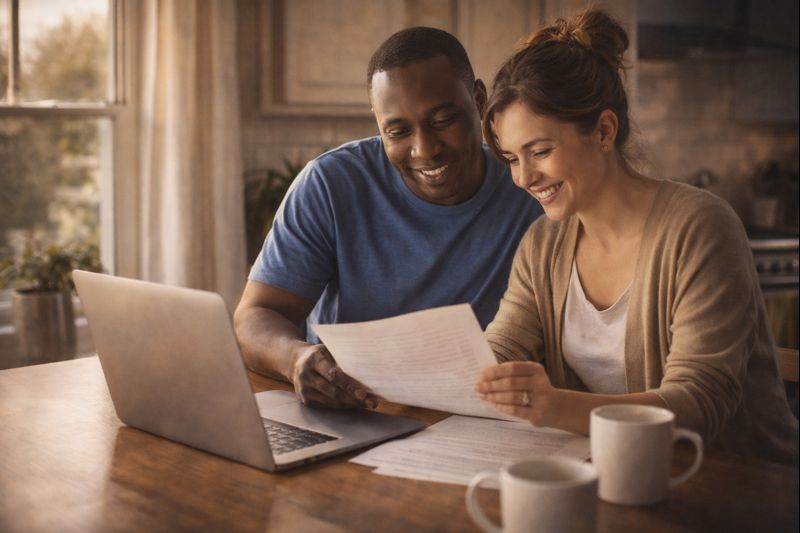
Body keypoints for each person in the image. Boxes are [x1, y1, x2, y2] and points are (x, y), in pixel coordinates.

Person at [474, 9, 798, 464]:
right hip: (627, 474)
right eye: (511, 158)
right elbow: (502, 348)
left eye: (540, 151)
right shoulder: (542, 244)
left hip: (736, 484)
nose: (524, 177)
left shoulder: (700, 227)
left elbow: (697, 403)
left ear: (604, 131)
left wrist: (555, 406)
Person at [235, 27, 542, 410]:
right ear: (378, 123)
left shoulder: (531, 187)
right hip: (353, 411)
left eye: (443, 120)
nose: (424, 150)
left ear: (478, 101)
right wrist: (295, 357)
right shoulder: (331, 185)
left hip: (469, 414)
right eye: (397, 131)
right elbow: (254, 317)